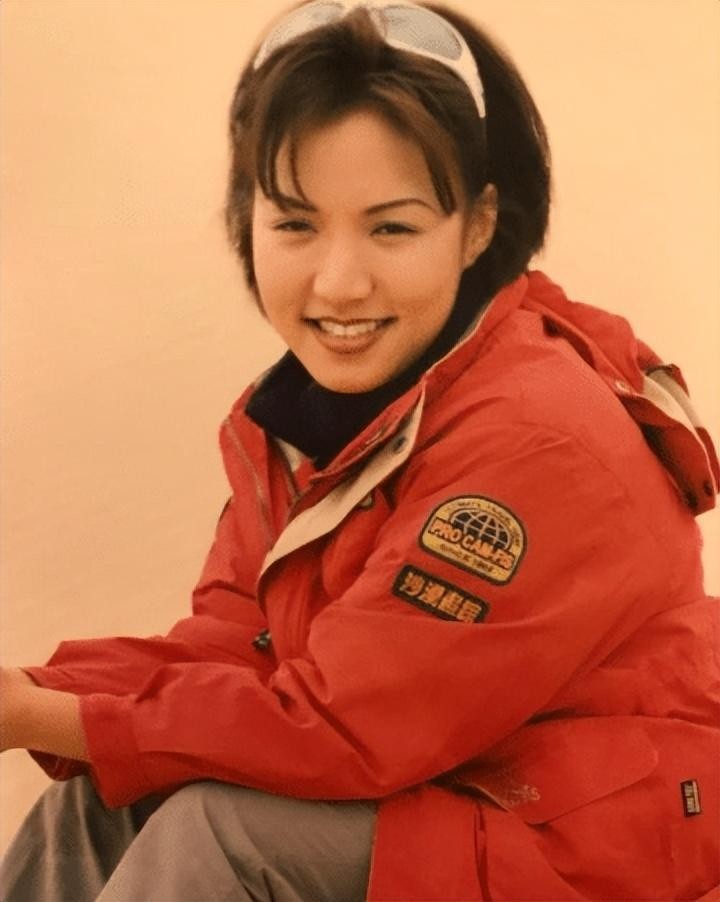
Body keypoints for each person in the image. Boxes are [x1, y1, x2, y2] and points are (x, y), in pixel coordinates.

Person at [1, 0, 718, 899]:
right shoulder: (305, 422)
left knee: (221, 833)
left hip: (583, 837)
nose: (339, 284)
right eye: (295, 224)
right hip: (441, 782)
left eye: (392, 228)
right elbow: (236, 653)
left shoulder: (536, 440)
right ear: (247, 219)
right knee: (103, 796)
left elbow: (347, 725)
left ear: (480, 225)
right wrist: (33, 693)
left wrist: (39, 715)